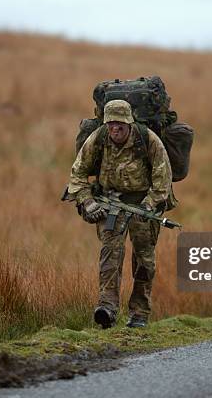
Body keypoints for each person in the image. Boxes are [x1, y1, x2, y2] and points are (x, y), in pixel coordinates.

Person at [67, 99, 173, 329]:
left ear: (129, 123)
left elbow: (163, 179)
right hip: (109, 204)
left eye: (120, 125)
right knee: (110, 255)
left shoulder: (148, 140)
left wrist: (149, 205)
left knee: (144, 260)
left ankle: (139, 313)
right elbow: (77, 173)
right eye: (111, 124)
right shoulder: (98, 138)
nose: (115, 129)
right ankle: (107, 309)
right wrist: (87, 201)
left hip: (143, 205)